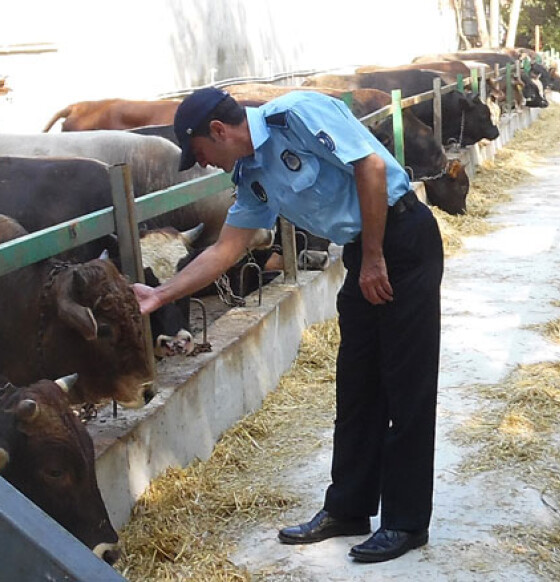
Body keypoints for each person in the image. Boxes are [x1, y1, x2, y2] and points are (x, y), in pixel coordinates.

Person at [132, 86, 444, 563]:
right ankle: (349, 508)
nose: (206, 165)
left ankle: (404, 522)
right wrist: (160, 294)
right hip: (365, 252)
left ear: (218, 131)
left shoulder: (296, 114)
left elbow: (371, 167)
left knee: (406, 386)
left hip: (401, 239)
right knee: (356, 386)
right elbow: (226, 248)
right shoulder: (250, 172)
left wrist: (376, 258)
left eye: (200, 153)